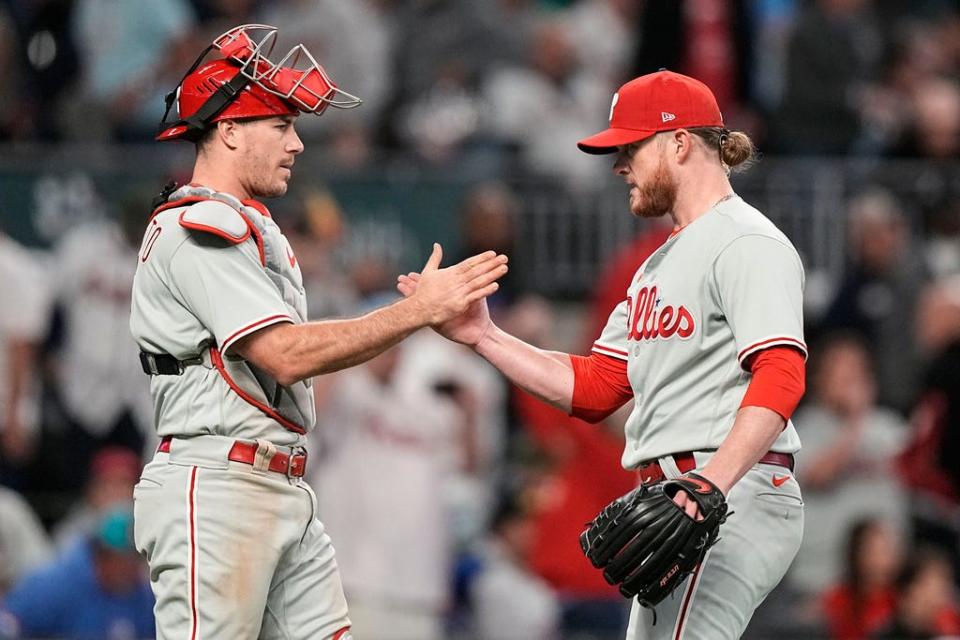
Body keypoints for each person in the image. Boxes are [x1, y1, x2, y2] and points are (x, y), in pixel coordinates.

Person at [129, 24, 508, 640]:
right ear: (227, 130)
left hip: (278, 485)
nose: (298, 143)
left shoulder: (256, 228)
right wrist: (415, 312)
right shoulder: (197, 227)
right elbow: (282, 353)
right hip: (218, 488)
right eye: (280, 126)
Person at [399, 69, 807, 639]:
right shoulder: (655, 267)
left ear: (680, 143)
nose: (618, 165)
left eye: (630, 147)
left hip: (729, 491)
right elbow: (596, 388)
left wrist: (711, 483)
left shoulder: (747, 241)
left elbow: (782, 375)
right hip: (687, 496)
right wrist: (486, 338)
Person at [0, 507, 155, 640]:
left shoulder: (144, 595)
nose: (131, 567)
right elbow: (7, 625)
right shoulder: (55, 584)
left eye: (136, 559)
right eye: (123, 559)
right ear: (101, 556)